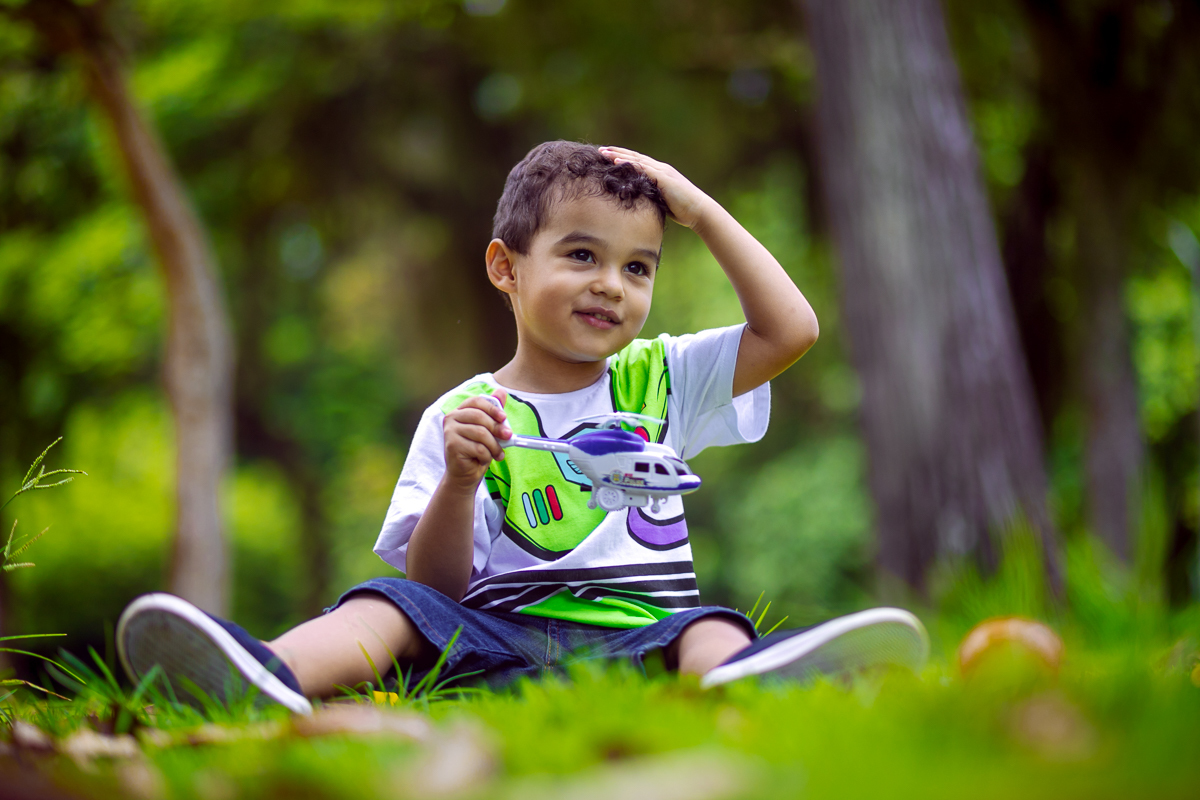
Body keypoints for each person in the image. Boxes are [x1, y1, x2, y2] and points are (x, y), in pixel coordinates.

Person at [116, 142, 928, 714]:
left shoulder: (663, 378)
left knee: (707, 626)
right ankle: (268, 673)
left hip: (639, 647)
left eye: (637, 267)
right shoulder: (461, 414)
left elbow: (792, 332)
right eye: (581, 256)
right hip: (493, 647)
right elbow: (440, 590)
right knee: (388, 604)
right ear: (507, 268)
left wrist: (700, 211)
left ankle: (745, 682)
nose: (611, 285)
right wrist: (462, 479)